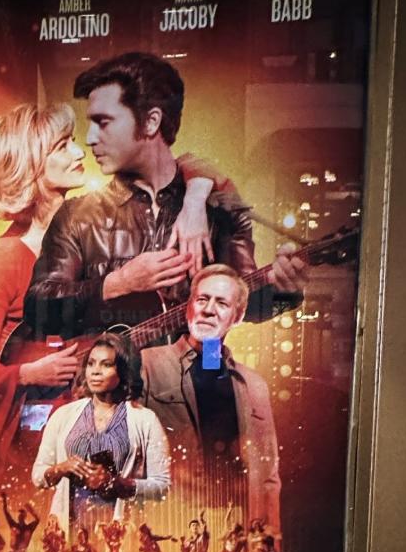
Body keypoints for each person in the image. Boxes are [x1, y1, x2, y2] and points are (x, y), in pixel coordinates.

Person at [0, 102, 213, 520]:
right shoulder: (5, 257)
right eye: (63, 146)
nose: (79, 152)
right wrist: (33, 372)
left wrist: (196, 200)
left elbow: (189, 164)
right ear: (30, 166)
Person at [24, 51, 307, 341]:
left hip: (192, 378)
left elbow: (247, 305)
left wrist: (284, 293)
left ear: (150, 122)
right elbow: (37, 309)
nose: (90, 138)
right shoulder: (77, 215)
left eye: (104, 122)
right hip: (107, 383)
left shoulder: (219, 210)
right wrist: (118, 283)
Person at [140, 263, 281, 534]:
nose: (208, 309)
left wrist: (272, 533)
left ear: (237, 317)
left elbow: (269, 474)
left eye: (222, 303)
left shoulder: (254, 385)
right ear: (188, 307)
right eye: (202, 299)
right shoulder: (148, 365)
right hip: (171, 522)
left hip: (235, 525)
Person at [32, 332, 170, 536]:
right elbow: (38, 476)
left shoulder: (145, 420)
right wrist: (62, 467)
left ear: (124, 370)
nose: (95, 372)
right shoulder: (63, 416)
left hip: (119, 535)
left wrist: (117, 484)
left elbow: (162, 486)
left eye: (106, 365)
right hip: (68, 534)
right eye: (91, 364)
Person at [0, 488, 40, 552]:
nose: (20, 516)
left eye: (22, 515)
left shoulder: (29, 528)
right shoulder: (13, 524)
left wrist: (31, 510)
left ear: (25, 517)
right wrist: (4, 501)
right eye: (19, 515)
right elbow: (6, 512)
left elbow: (38, 520)